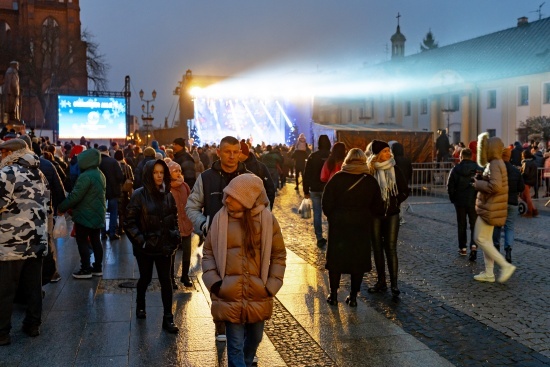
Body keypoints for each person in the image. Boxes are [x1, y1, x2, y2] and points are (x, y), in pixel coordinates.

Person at [202, 174, 286, 367]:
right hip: (229, 294)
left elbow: (278, 255)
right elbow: (208, 253)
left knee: (255, 340)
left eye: (233, 196)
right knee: (235, 346)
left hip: (258, 293)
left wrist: (271, 286)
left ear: (247, 198)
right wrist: (215, 283)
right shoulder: (220, 219)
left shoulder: (267, 220)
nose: (227, 199)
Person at [186, 135, 250, 342]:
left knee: (242, 286)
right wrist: (204, 224)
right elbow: (192, 207)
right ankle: (220, 324)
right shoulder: (206, 177)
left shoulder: (249, 177)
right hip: (215, 242)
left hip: (242, 241)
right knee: (217, 284)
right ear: (219, 152)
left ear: (240, 153)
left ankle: (240, 324)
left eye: (235, 152)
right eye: (227, 152)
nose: (232, 156)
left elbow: (260, 207)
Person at [0, 139, 50, 345]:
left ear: (9, 152)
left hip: (12, 242)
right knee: (33, 287)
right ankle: (33, 325)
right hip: (37, 239)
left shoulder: (7, 173)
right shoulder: (40, 173)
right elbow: (48, 203)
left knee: (5, 290)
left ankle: (2, 333)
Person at [322, 149, 384, 307]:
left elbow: (326, 203)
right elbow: (378, 207)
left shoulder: (337, 178)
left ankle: (334, 295)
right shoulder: (370, 181)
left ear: (347, 160)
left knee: (336, 261)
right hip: (361, 225)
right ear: (364, 161)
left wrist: (334, 217)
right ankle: (353, 297)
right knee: (358, 262)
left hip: (339, 225)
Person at [123, 159, 180, 333]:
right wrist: (142, 242)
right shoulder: (139, 195)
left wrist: (174, 236)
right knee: (145, 279)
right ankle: (140, 303)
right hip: (146, 249)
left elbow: (173, 218)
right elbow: (129, 222)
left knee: (167, 282)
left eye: (161, 172)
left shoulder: (168, 194)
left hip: (164, 247)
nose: (159, 176)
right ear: (149, 174)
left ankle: (168, 318)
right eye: (155, 172)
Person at [367, 140, 409, 297]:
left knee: (390, 248)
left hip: (392, 214)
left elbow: (405, 190)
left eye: (388, 150)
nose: (388, 153)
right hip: (375, 215)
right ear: (377, 154)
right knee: (377, 249)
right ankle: (381, 282)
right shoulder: (370, 171)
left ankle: (394, 284)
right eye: (385, 151)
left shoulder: (395, 169)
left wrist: (396, 201)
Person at [472, 133, 516, 283]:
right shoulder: (497, 162)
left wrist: (478, 184)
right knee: (486, 240)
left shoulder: (495, 163)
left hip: (491, 207)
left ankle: (504, 265)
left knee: (479, 238)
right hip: (491, 206)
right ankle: (489, 273)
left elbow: (495, 186)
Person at [58, 148, 106, 279]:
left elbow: (75, 196)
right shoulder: (99, 174)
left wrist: (62, 207)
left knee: (82, 241)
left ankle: (85, 269)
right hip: (97, 214)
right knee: (96, 241)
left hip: (85, 214)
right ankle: (97, 268)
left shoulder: (86, 176)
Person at [447, 148, 482, 258]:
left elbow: (450, 186)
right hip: (474, 199)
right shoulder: (477, 169)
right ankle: (474, 246)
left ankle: (462, 248)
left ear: (461, 156)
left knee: (461, 224)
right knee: (474, 224)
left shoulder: (455, 169)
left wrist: (453, 198)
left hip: (460, 200)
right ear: (471, 156)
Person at [492, 147, 524, 263]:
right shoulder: (515, 171)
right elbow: (521, 187)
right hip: (512, 202)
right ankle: (508, 250)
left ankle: (496, 249)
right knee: (509, 227)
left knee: (497, 226)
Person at [165, 160, 194, 288]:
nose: (178, 173)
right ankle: (170, 278)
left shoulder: (185, 186)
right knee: (172, 252)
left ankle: (185, 275)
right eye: (175, 171)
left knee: (187, 250)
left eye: (179, 171)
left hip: (186, 222)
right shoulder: (166, 187)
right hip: (172, 225)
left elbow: (191, 201)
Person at [303, 135, 331, 247]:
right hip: (328, 189)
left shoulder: (312, 156)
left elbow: (307, 174)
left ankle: (319, 237)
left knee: (317, 214)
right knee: (330, 214)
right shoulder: (331, 156)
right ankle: (331, 236)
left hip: (314, 189)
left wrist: (306, 190)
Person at [238, 141, 276, 210]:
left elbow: (270, 188)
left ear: (242, 153)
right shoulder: (232, 166)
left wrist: (267, 208)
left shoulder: (260, 167)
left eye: (236, 152)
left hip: (256, 209)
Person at [98, 145, 124, 240]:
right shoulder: (113, 162)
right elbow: (120, 177)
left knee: (101, 212)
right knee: (113, 212)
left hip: (101, 191)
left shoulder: (97, 162)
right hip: (113, 191)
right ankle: (112, 233)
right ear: (107, 151)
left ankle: (103, 233)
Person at [390, 142, 413, 225]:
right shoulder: (407, 160)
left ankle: (398, 217)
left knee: (395, 202)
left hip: (395, 183)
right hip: (404, 183)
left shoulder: (393, 161)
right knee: (401, 202)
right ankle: (400, 217)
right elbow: (410, 172)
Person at [115, 150, 133, 236]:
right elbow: (131, 179)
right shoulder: (127, 166)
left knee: (114, 211)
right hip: (124, 191)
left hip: (114, 191)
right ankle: (121, 228)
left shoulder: (113, 166)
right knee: (122, 212)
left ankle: (114, 227)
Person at [520, 149, 538, 217]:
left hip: (526, 181)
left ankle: (529, 212)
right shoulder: (533, 162)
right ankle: (533, 210)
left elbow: (525, 173)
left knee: (527, 197)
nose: (521, 156)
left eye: (522, 155)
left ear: (524, 156)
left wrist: (520, 174)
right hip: (531, 181)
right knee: (523, 196)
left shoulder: (526, 162)